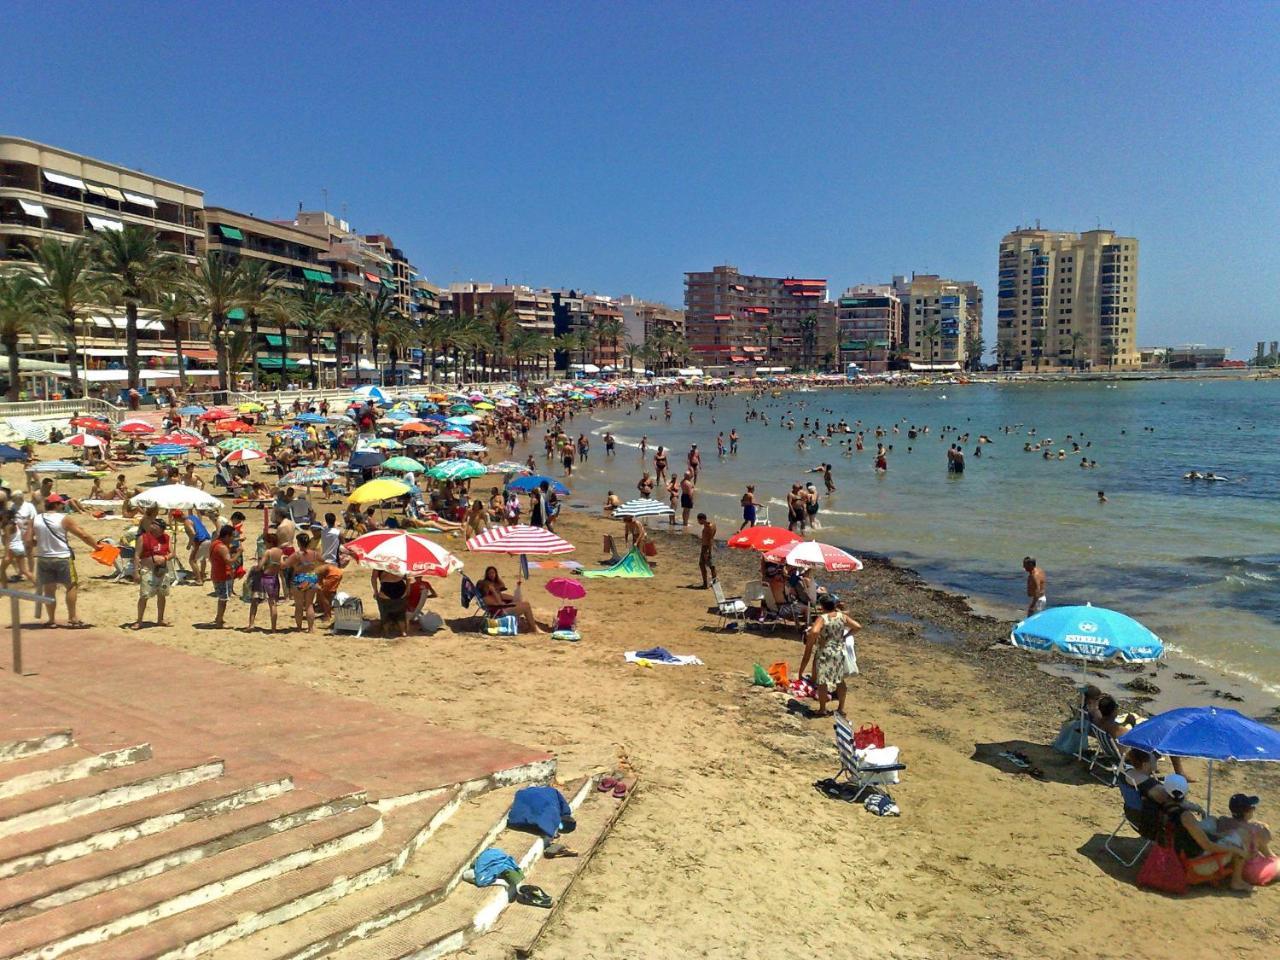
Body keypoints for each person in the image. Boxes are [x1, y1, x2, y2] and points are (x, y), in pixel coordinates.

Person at [1156, 774, 1250, 891]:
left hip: (1180, 852)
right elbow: (1208, 846)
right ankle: (1237, 881)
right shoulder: (1185, 817)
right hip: (1197, 864)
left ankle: (1231, 851)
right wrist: (1235, 849)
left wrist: (1218, 836)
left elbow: (1196, 833)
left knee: (1213, 821)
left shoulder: (1164, 808)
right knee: (1241, 836)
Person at [30, 495, 99, 627]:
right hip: (62, 557)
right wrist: (96, 546)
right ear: (56, 505)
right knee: (71, 586)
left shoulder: (36, 519)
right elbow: (82, 534)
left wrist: (42, 543)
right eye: (61, 504)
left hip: (44, 557)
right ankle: (72, 617)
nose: (63, 506)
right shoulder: (63, 519)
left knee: (49, 589)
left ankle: (51, 620)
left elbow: (29, 540)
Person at [798, 594, 861, 717]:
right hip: (838, 650)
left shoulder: (823, 618)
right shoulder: (842, 616)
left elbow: (815, 631)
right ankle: (840, 709)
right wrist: (845, 636)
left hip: (825, 652)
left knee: (822, 682)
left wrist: (816, 637)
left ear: (822, 607)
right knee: (840, 680)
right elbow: (858, 626)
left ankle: (822, 709)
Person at [476, 565, 544, 634]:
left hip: (502, 609)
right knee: (526, 606)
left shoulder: (488, 595)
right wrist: (494, 591)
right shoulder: (486, 598)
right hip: (502, 612)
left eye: (493, 573)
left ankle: (532, 626)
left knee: (521, 602)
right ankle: (534, 628)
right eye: (488, 587)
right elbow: (500, 604)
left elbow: (501, 589)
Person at [134, 517, 175, 629]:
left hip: (162, 570)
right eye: (152, 523)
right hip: (148, 569)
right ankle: (139, 620)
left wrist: (165, 558)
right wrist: (136, 572)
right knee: (144, 595)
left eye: (155, 524)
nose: (152, 526)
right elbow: (137, 555)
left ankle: (160, 619)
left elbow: (172, 553)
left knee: (162, 595)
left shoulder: (166, 538)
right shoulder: (143, 537)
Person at [284, 531, 321, 633]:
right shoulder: (314, 554)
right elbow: (323, 561)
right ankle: (310, 628)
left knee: (299, 605)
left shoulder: (296, 555)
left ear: (299, 543)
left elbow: (284, 565)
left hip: (300, 578)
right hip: (311, 577)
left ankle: (299, 628)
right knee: (309, 605)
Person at [249, 530, 283, 632]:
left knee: (255, 601)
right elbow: (282, 565)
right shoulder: (280, 552)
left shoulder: (268, 552)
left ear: (270, 542)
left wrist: (255, 568)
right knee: (273, 604)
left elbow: (260, 566)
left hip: (265, 578)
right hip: (274, 578)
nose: (264, 544)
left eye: (266, 542)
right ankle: (273, 628)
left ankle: (251, 624)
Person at [6, 491, 36, 584]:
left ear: (20, 498)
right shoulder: (13, 506)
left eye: (14, 498)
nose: (13, 500)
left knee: (29, 553)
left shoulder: (29, 506)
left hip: (27, 531)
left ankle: (30, 571)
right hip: (17, 534)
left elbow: (34, 519)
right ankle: (21, 572)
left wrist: (32, 534)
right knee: (18, 554)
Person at [209, 524, 235, 628]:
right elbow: (229, 561)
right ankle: (219, 620)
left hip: (216, 573)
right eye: (232, 536)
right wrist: (238, 553)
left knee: (222, 598)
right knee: (223, 599)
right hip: (222, 575)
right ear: (227, 536)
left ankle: (218, 618)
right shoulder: (222, 547)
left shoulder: (214, 543)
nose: (233, 538)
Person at [372, 569, 409, 638]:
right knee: (401, 612)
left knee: (385, 612)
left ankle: (386, 632)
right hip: (400, 586)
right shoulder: (400, 561)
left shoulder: (378, 562)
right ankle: (403, 631)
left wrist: (376, 592)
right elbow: (408, 577)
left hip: (386, 586)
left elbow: (373, 578)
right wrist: (407, 590)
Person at [183, 508, 213, 586]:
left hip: (200, 541)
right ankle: (202, 575)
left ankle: (199, 580)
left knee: (192, 560)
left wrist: (189, 544)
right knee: (203, 559)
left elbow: (193, 533)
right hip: (208, 539)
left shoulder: (186, 521)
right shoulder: (193, 517)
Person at [696, 513, 717, 589]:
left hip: (706, 547)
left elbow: (710, 539)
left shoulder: (708, 527)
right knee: (706, 565)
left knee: (708, 565)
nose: (698, 522)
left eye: (699, 520)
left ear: (702, 519)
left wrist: (709, 552)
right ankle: (712, 582)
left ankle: (707, 584)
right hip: (705, 547)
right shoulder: (711, 525)